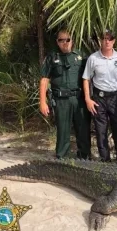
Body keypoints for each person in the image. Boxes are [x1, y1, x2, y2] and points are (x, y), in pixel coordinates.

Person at [39, 29, 91, 160]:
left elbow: (89, 78)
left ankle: (84, 157)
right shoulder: (52, 57)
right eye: (61, 40)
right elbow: (44, 79)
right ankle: (62, 158)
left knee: (83, 129)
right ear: (57, 42)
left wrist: (89, 98)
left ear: (72, 41)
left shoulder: (81, 56)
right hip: (61, 100)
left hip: (79, 99)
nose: (65, 43)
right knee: (63, 130)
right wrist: (42, 101)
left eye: (67, 39)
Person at [82, 29, 117, 162]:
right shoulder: (93, 58)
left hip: (116, 98)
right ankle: (105, 161)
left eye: (110, 39)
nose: (107, 41)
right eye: (104, 38)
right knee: (101, 131)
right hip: (99, 98)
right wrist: (87, 99)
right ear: (100, 41)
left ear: (114, 41)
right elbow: (86, 79)